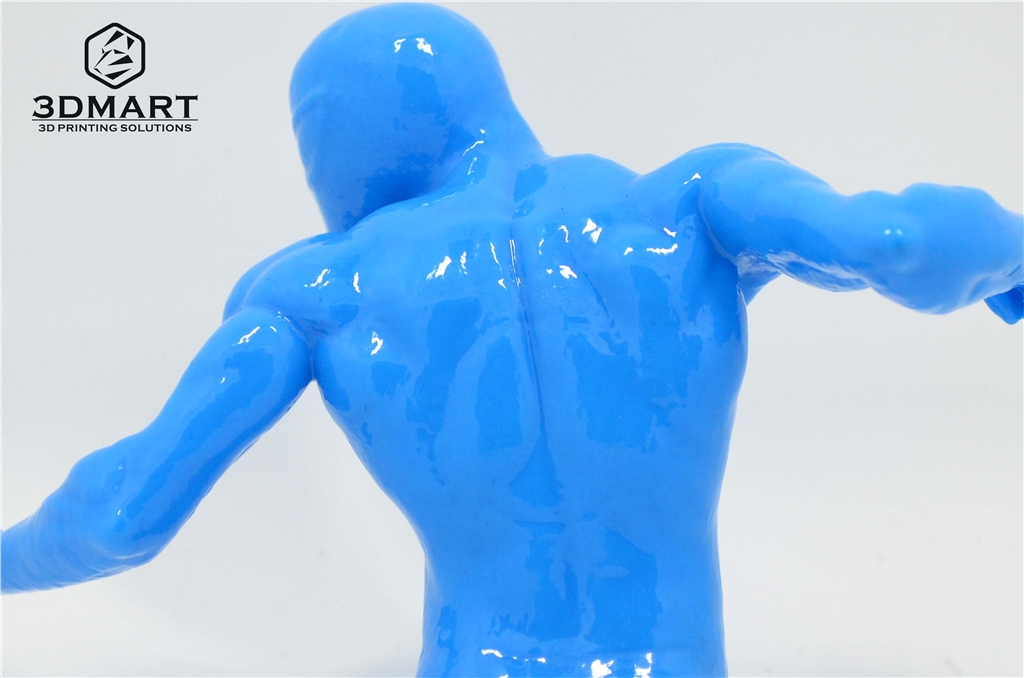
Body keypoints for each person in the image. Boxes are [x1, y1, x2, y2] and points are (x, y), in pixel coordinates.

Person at [3, 4, 1021, 677]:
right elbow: (896, 241)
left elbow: (119, 513)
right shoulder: (686, 202)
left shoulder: (317, 289)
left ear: (339, 137)